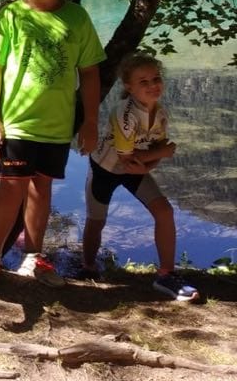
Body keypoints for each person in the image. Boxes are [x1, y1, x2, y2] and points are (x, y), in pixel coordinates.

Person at [0, 0, 105, 288]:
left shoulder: (76, 18)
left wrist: (90, 121)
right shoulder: (11, 15)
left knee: (41, 189)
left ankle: (34, 258)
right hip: (17, 121)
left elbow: (90, 72)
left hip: (57, 125)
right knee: (10, 187)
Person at [79, 53, 199, 301]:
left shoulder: (160, 114)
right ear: (129, 87)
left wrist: (149, 165)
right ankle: (87, 267)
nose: (152, 85)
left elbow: (155, 152)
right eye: (143, 82)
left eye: (156, 79)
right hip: (105, 169)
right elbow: (129, 157)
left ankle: (166, 275)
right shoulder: (124, 113)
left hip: (136, 170)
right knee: (96, 221)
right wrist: (161, 153)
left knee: (164, 211)